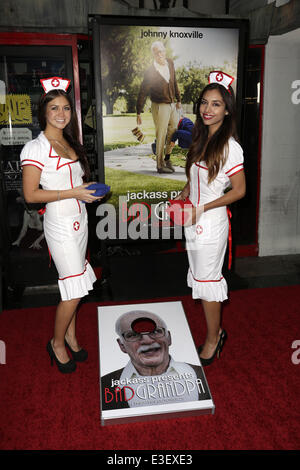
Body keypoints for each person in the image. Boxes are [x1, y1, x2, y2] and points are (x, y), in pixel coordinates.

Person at [20, 77, 103, 374]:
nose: (61, 114)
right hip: (60, 223)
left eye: (66, 108)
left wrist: (86, 190)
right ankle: (56, 343)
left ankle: (71, 336)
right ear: (44, 111)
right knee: (73, 289)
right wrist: (75, 192)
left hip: (80, 217)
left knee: (76, 283)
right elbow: (30, 195)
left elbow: (74, 182)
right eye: (54, 108)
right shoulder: (35, 148)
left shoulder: (68, 142)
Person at [176, 71, 246, 366]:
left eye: (216, 104)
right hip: (193, 221)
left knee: (208, 284)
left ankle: (214, 337)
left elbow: (240, 191)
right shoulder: (201, 138)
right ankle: (214, 332)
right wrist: (183, 195)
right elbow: (194, 180)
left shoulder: (231, 147)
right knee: (202, 281)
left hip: (211, 223)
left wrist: (201, 208)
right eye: (205, 102)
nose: (208, 109)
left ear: (227, 109)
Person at [101, 310, 210, 410]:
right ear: (122, 345)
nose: (147, 341)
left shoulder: (202, 375)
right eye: (133, 335)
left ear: (169, 338)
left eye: (156, 332)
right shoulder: (104, 384)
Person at [136, 41, 181, 174]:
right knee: (161, 134)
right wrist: (138, 111)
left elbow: (174, 82)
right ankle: (160, 165)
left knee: (173, 129)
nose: (160, 54)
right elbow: (143, 91)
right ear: (153, 55)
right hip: (160, 105)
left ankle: (167, 158)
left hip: (172, 104)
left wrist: (178, 99)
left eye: (161, 51)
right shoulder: (150, 71)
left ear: (164, 51)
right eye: (156, 53)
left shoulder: (170, 63)